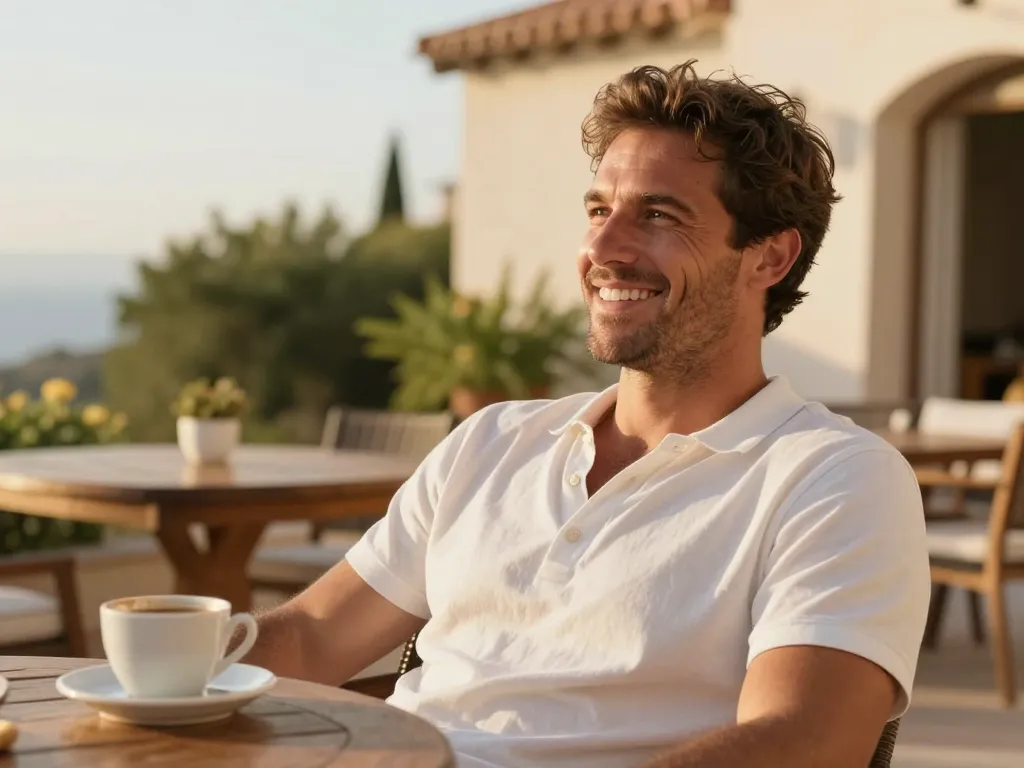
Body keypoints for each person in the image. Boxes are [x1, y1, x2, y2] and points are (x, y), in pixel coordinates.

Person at [244, 61, 930, 768]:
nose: (602, 250)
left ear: (771, 257)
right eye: (599, 211)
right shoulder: (492, 443)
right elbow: (312, 638)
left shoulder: (834, 481)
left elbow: (804, 742)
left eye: (659, 216)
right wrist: (149, 674)